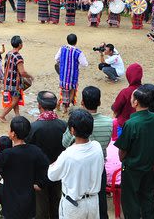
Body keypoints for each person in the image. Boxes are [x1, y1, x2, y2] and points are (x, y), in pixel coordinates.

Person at [61, 86, 112, 219]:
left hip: (78, 166)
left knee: (77, 200)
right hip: (98, 166)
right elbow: (106, 143)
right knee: (99, 202)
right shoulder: (109, 122)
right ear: (100, 102)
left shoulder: (77, 123)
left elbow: (65, 143)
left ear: (82, 102)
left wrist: (71, 129)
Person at [114, 86, 154, 219]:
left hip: (132, 167)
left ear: (136, 103)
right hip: (148, 165)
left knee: (130, 200)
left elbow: (123, 150)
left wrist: (123, 159)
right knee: (147, 197)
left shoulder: (131, 123)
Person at [47, 109, 104, 219]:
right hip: (93, 201)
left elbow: (52, 175)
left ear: (72, 130)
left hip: (74, 204)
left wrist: (53, 164)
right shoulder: (97, 147)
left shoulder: (68, 154)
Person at [27, 91, 67, 219]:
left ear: (39, 105)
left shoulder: (33, 127)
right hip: (59, 173)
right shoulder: (64, 126)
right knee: (56, 204)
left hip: (40, 175)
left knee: (41, 209)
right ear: (55, 105)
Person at [0, 35, 32, 122]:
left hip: (7, 80)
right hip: (15, 83)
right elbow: (22, 72)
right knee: (14, 100)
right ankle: (2, 115)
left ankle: (17, 115)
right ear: (20, 45)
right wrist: (30, 76)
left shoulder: (9, 53)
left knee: (15, 99)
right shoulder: (18, 57)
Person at [55, 34, 88, 113]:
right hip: (72, 77)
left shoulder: (62, 48)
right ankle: (66, 108)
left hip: (63, 76)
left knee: (63, 90)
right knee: (72, 91)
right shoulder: (78, 52)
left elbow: (56, 58)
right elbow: (85, 64)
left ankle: (59, 104)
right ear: (76, 42)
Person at [111, 63, 143, 134]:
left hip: (124, 126)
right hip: (141, 127)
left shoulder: (125, 92)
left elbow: (116, 107)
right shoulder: (145, 90)